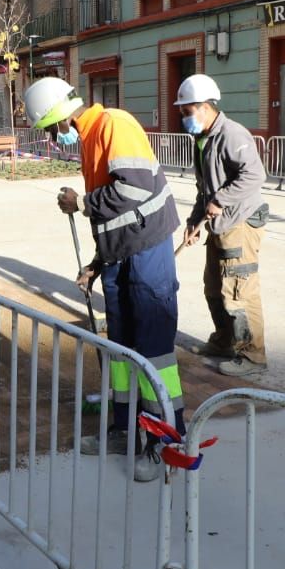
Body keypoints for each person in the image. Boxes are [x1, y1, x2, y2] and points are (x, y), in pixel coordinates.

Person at [23, 77, 182, 483]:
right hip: (120, 255)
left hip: (147, 253)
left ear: (58, 116)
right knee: (120, 350)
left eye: (48, 128)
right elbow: (115, 214)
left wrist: (81, 203)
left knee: (153, 354)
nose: (52, 137)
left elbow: (134, 189)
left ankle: (165, 443)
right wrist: (97, 262)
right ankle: (124, 430)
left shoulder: (113, 124)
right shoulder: (91, 136)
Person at [177, 75, 269, 377]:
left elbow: (254, 176)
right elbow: (204, 188)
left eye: (187, 111)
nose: (183, 117)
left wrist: (221, 199)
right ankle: (224, 341)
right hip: (218, 223)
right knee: (214, 287)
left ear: (205, 107)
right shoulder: (202, 139)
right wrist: (193, 222)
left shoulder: (231, 134)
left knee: (240, 289)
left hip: (240, 222)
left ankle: (253, 356)